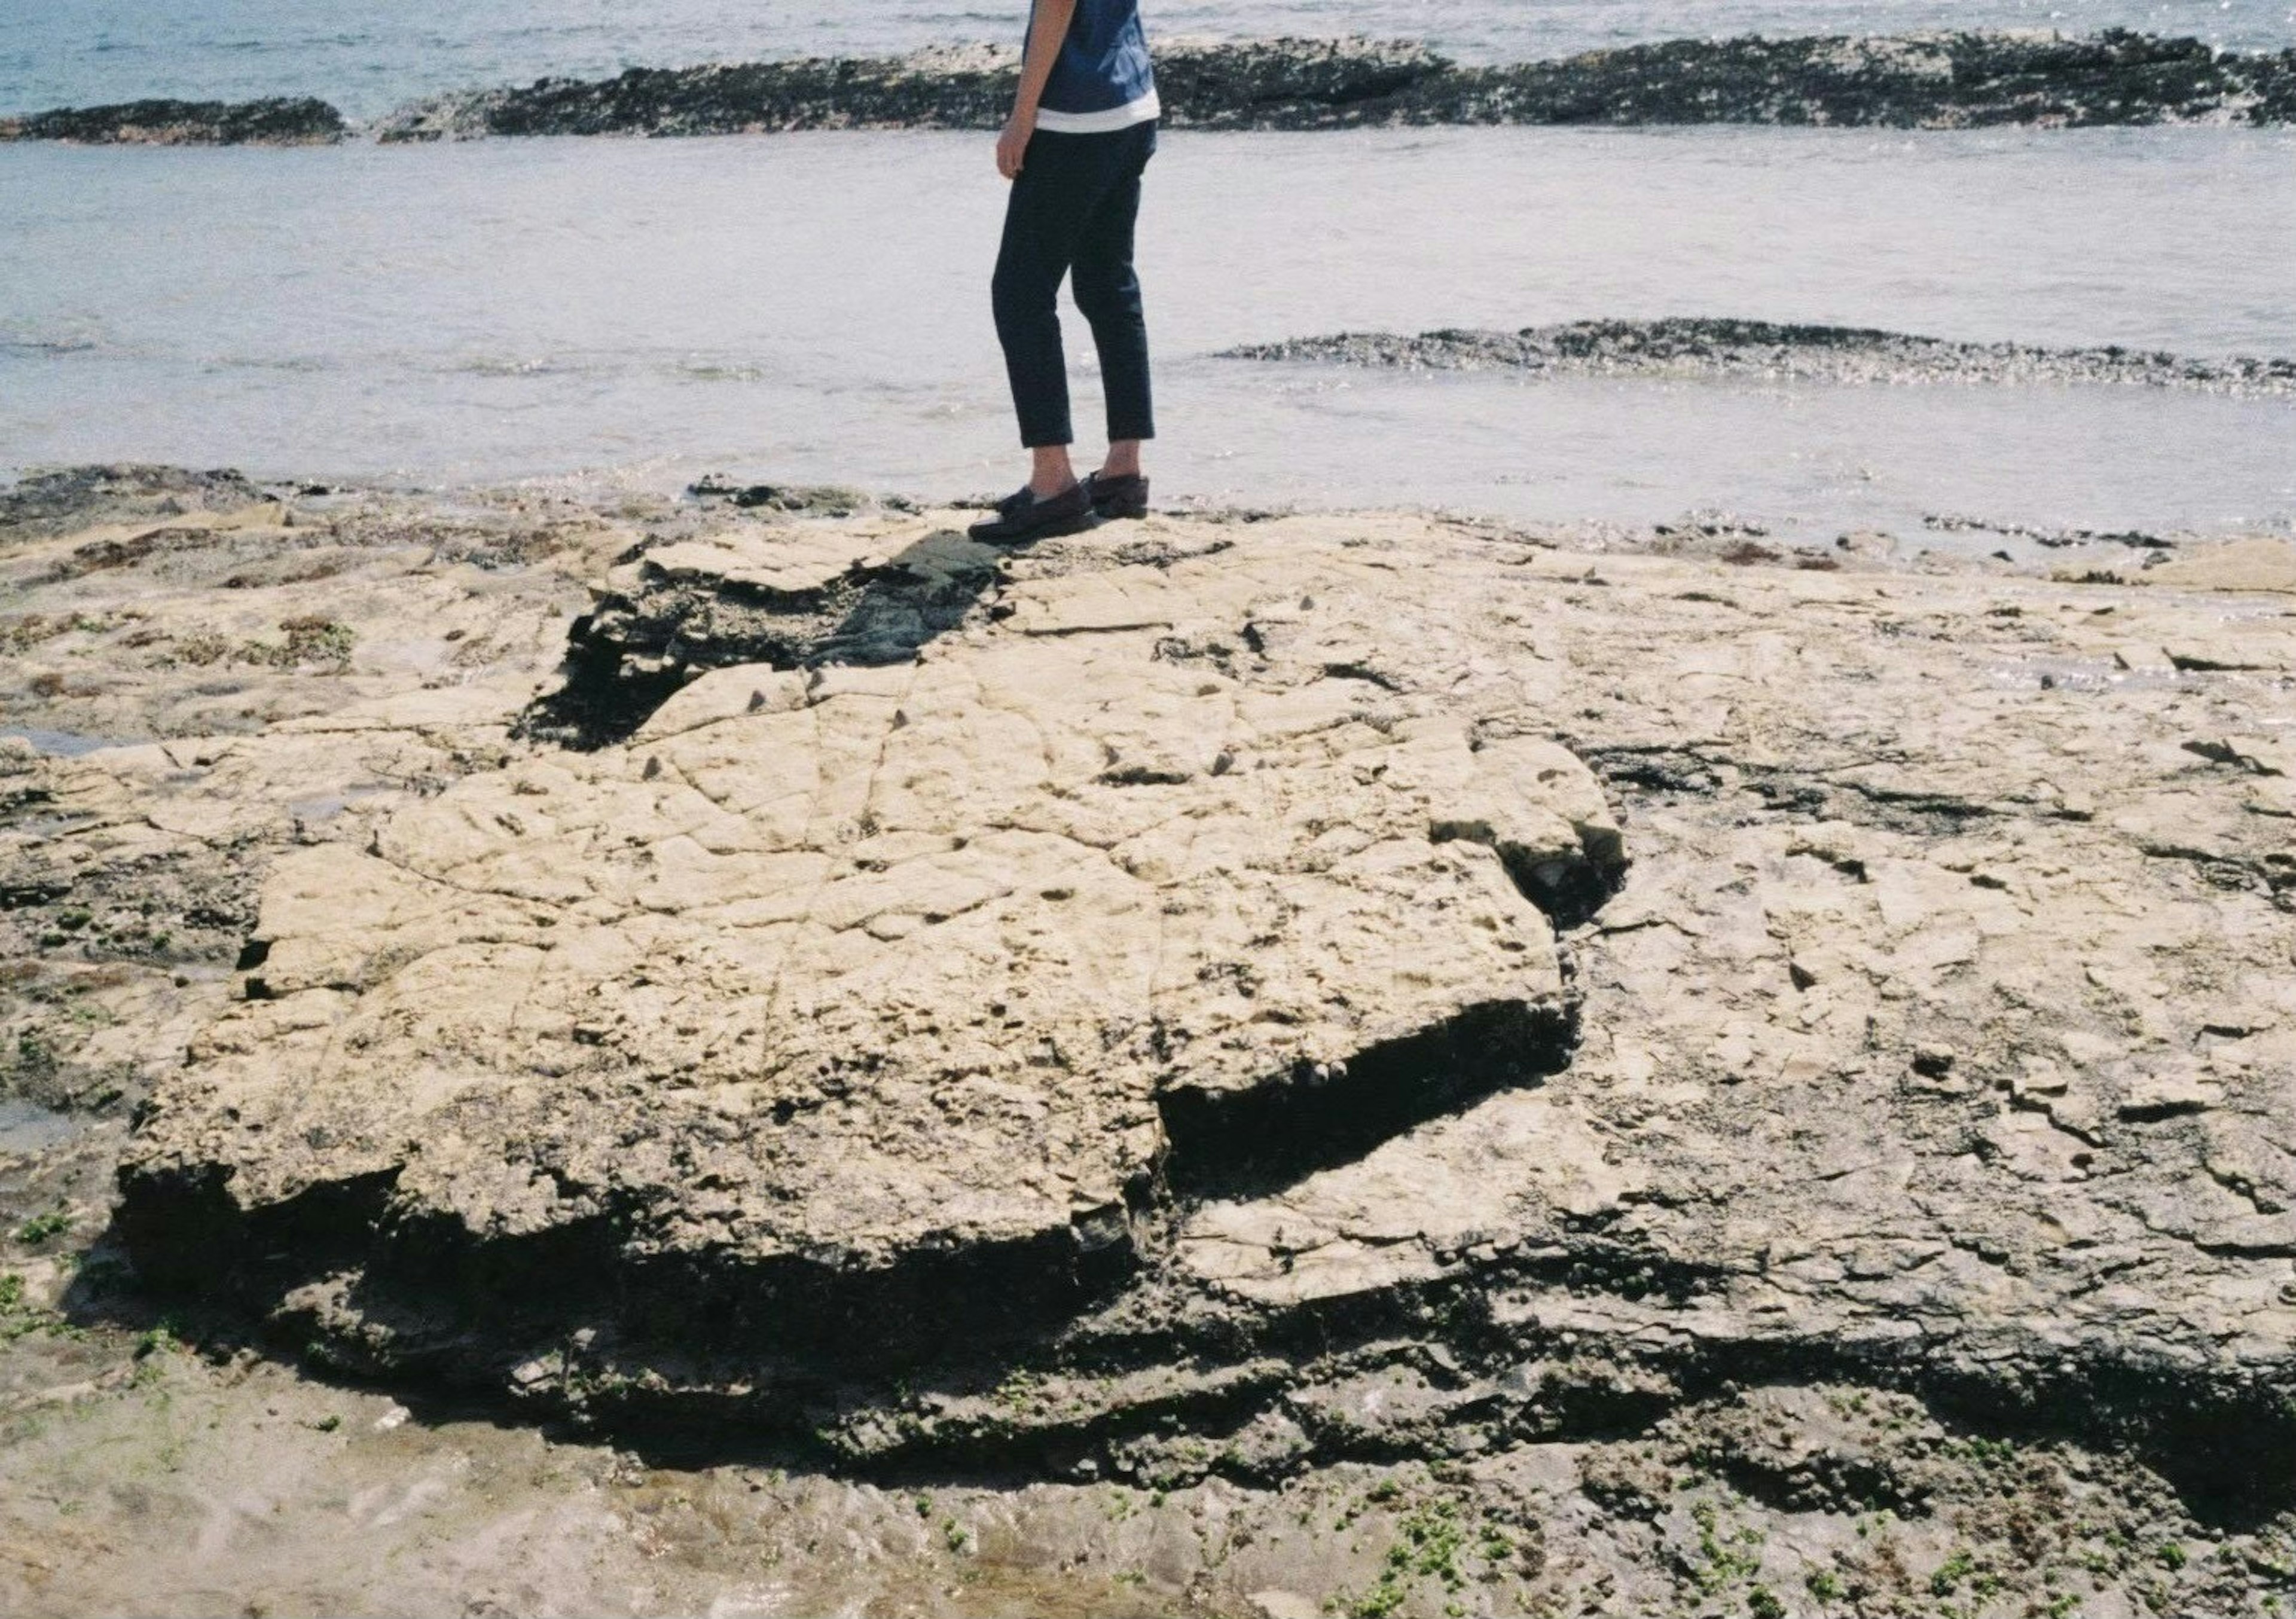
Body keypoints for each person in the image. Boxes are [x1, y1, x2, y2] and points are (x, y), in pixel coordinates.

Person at [968, 0, 1160, 543]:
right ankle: (1123, 472)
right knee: (1108, 285)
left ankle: (1053, 484)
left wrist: (1021, 118)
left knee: (1020, 295)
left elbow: (1056, 5)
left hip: (1074, 121)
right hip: (1132, 104)